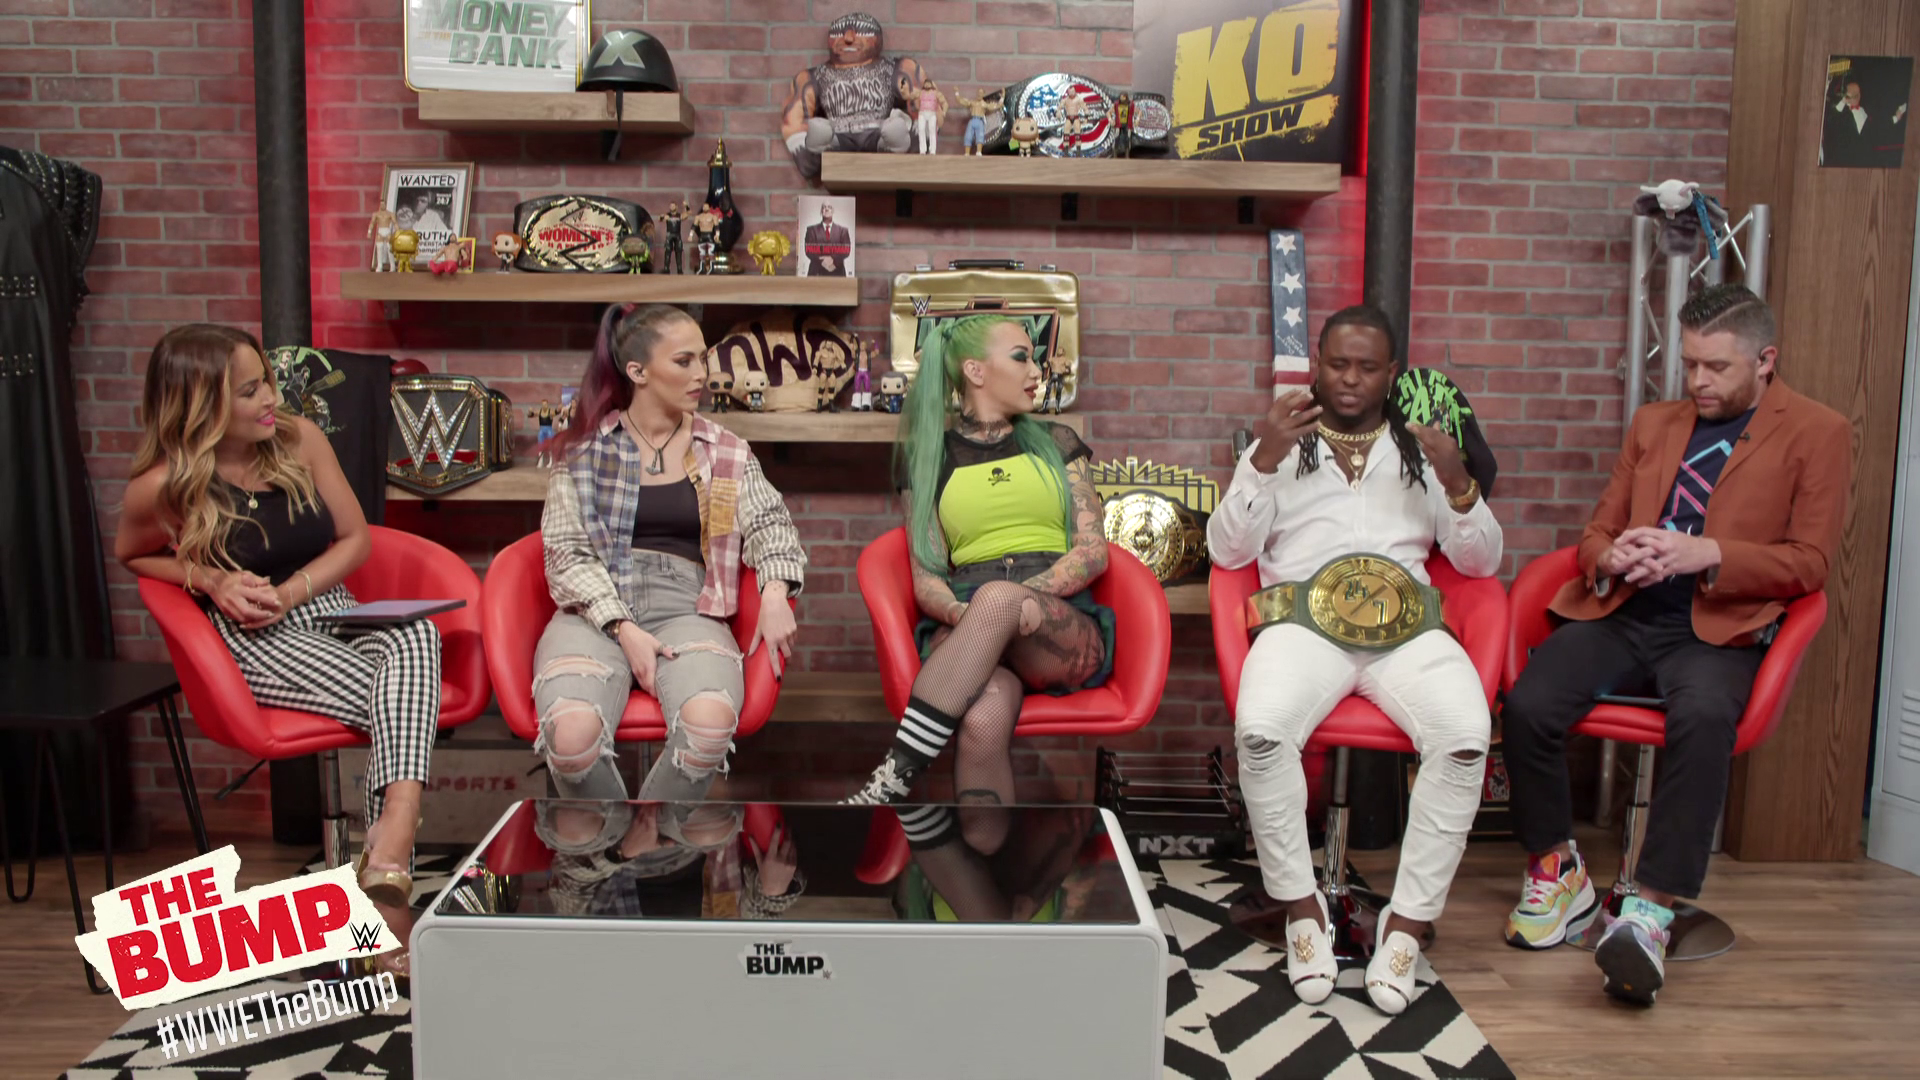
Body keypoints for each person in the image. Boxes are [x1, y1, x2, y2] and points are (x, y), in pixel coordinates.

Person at [1500, 284, 1849, 1006]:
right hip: (1629, 613)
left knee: (1704, 716)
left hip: (1719, 627)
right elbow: (1596, 532)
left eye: (1717, 367)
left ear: (1766, 360)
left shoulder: (1818, 432)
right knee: (1530, 701)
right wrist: (1612, 554)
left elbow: (1811, 562)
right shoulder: (1655, 424)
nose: (1698, 381)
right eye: (1689, 364)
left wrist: (1709, 553)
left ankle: (1651, 912)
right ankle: (1559, 872)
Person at [1207, 303, 1501, 1016]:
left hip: (1407, 630)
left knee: (1466, 738)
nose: (1349, 378)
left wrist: (1458, 481)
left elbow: (1481, 561)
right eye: (1337, 363)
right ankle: (1302, 910)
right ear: (1317, 363)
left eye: (1367, 367)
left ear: (1391, 372)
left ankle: (1405, 927)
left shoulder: (1422, 449)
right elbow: (1227, 551)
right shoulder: (1281, 441)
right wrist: (1263, 458)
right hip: (1303, 625)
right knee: (1260, 732)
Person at [114, 324, 435, 976]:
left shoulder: (299, 438)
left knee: (419, 633)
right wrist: (209, 579)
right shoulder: (163, 485)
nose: (270, 399)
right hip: (253, 633)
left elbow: (355, 541)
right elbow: (134, 555)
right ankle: (390, 866)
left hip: (322, 603)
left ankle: (393, 831)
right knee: (401, 695)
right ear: (200, 406)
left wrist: (292, 591)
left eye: (265, 381)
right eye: (249, 390)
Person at [841, 314, 1113, 860]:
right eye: (1021, 357)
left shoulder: (1058, 442)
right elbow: (927, 578)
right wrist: (971, 617)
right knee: (984, 720)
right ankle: (985, 881)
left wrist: (1021, 599)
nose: (1036, 371)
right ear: (975, 371)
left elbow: (1093, 550)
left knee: (1000, 599)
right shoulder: (931, 460)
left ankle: (898, 770)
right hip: (970, 624)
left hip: (1057, 629)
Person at [534, 303, 806, 822]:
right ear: (638, 372)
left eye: (703, 359)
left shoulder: (724, 451)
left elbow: (771, 523)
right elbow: (566, 554)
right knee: (571, 739)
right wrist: (622, 627)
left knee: (708, 727)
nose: (702, 374)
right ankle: (615, 845)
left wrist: (774, 592)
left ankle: (644, 838)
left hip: (687, 604)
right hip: (594, 610)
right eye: (684, 361)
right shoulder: (584, 455)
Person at [1822, 78, 1909, 167]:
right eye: (1847, 95)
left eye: (1851, 95)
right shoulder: (1841, 113)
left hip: (1865, 161)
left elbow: (1879, 126)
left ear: (1859, 96)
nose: (1848, 98)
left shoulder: (1866, 110)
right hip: (1845, 163)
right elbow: (1832, 118)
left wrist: (1896, 118)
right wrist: (1843, 101)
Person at [802, 202, 852, 277]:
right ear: (821, 211)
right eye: (824, 207)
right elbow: (809, 250)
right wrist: (823, 261)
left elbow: (846, 251)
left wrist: (833, 259)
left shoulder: (843, 231)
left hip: (837, 272)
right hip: (816, 272)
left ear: (833, 211)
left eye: (829, 207)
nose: (826, 209)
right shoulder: (811, 230)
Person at [911, 77, 948, 155]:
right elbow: (912, 96)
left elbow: (944, 103)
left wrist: (944, 111)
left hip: (932, 113)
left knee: (932, 130)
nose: (927, 85)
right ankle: (922, 150)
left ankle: (932, 150)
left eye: (929, 83)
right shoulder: (920, 93)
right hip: (922, 113)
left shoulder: (936, 93)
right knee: (921, 130)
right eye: (926, 83)